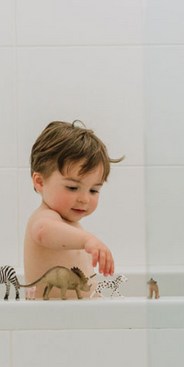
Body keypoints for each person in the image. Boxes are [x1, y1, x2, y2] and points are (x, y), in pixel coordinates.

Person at [24, 120, 124, 298]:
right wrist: (87, 240)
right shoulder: (45, 217)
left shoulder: (68, 224)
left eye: (94, 190)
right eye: (72, 187)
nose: (84, 199)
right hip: (51, 322)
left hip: (73, 319)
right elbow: (44, 231)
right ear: (40, 182)